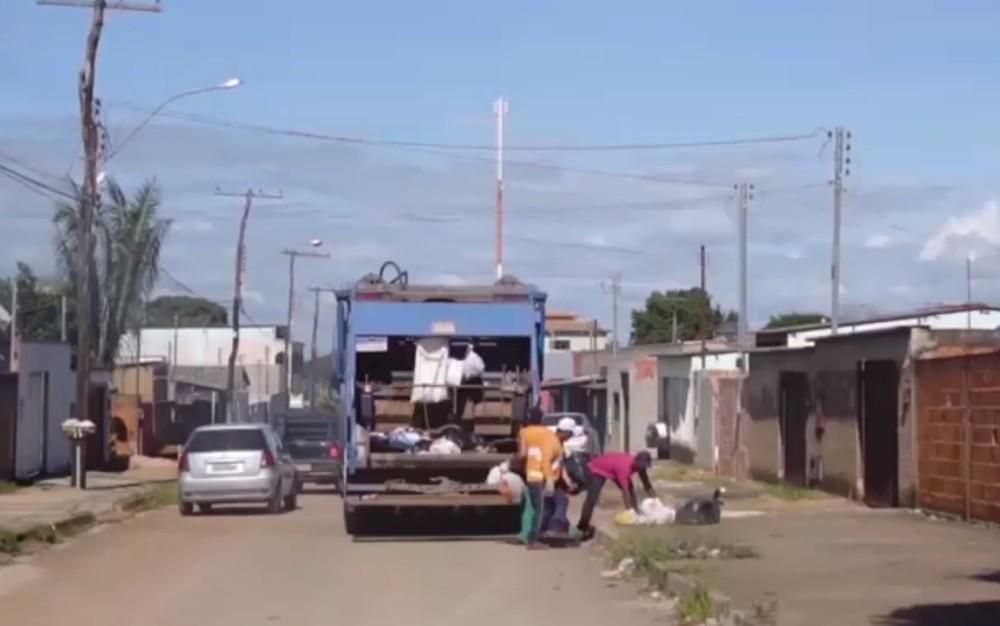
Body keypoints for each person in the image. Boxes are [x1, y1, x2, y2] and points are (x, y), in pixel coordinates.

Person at [516, 407, 570, 548]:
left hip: (531, 475)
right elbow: (547, 459)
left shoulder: (524, 432)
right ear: (541, 419)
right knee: (541, 509)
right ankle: (534, 541)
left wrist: (515, 465)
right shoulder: (548, 435)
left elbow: (522, 454)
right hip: (543, 477)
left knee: (541, 508)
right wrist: (550, 479)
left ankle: (538, 536)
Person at [576, 450, 656, 540]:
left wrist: (656, 500)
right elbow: (625, 492)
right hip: (597, 469)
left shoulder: (639, 466)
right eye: (642, 466)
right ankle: (582, 527)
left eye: (644, 467)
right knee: (592, 499)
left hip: (612, 467)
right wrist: (629, 512)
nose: (642, 469)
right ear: (637, 461)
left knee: (631, 489)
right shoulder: (624, 468)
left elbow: (646, 483)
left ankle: (636, 513)